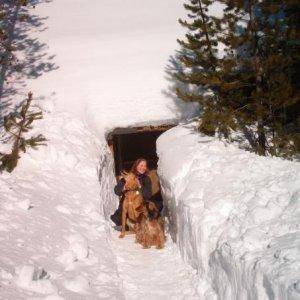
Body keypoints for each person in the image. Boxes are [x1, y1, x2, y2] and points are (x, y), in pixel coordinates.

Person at [110, 158, 152, 227]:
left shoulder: (146, 179)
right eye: (141, 165)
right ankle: (124, 223)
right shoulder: (128, 176)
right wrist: (124, 188)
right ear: (136, 166)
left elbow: (148, 195)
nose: (143, 168)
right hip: (127, 206)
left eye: (145, 166)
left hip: (139, 207)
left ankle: (139, 224)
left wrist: (139, 186)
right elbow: (117, 191)